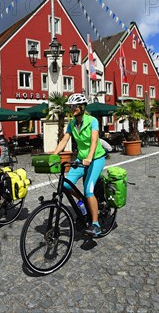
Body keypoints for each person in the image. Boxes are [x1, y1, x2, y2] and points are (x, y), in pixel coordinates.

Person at [50, 93, 107, 237]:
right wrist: (54, 154)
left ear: (82, 107)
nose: (72, 108)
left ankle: (95, 224)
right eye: (71, 106)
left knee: (89, 190)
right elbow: (64, 140)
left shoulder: (92, 121)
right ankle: (83, 201)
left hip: (96, 158)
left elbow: (94, 141)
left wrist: (89, 157)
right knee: (66, 185)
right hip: (81, 159)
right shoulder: (72, 123)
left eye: (75, 106)